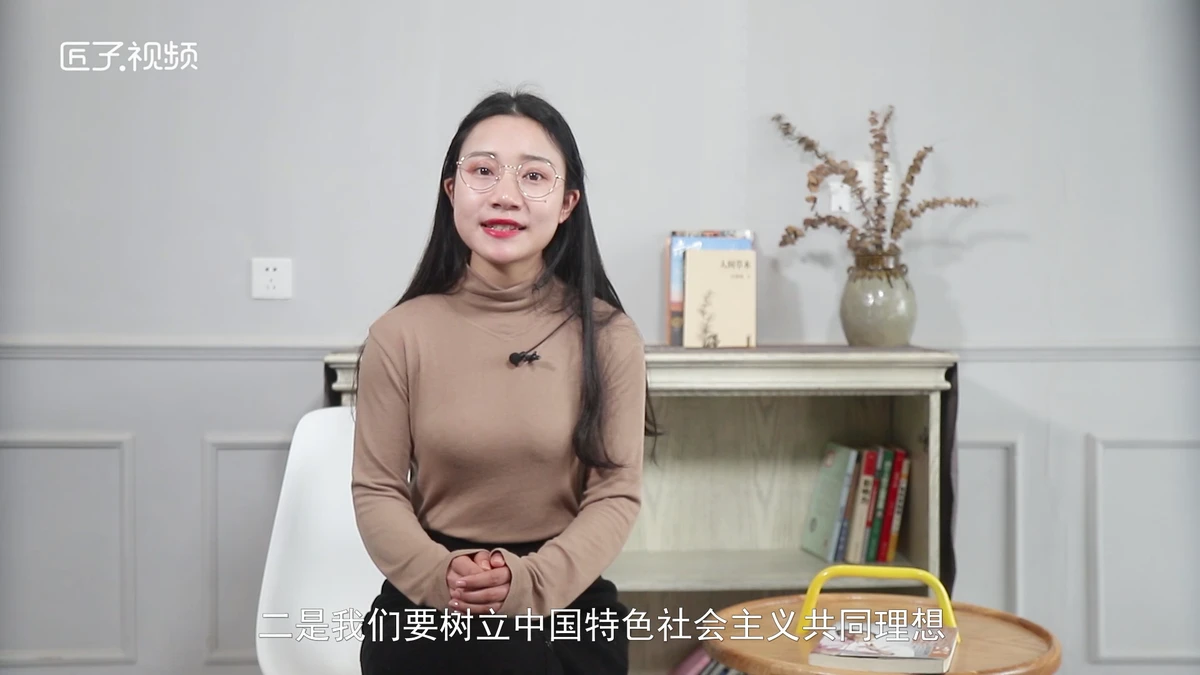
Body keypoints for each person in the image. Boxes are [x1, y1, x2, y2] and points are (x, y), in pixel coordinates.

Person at [351, 89, 658, 675]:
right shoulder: (398, 335)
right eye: (483, 171)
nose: (505, 195)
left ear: (567, 203)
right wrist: (441, 575)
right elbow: (377, 490)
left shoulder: (609, 336)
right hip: (431, 598)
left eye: (533, 176)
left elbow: (615, 493)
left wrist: (528, 584)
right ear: (451, 190)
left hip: (563, 598)